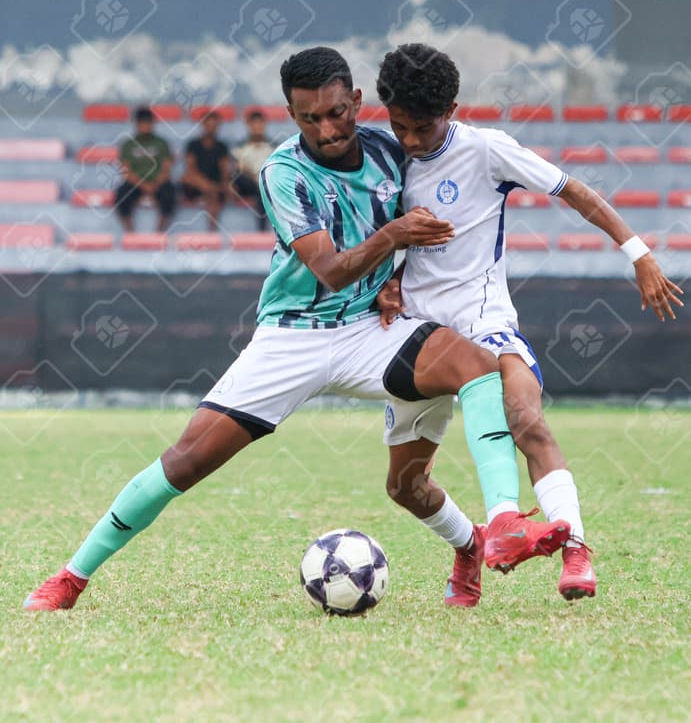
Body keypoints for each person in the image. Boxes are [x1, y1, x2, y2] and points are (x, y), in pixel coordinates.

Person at [24, 47, 567, 613]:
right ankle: (72, 577)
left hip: (366, 331)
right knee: (185, 460)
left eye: (336, 113)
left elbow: (441, 195)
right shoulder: (283, 173)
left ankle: (498, 524)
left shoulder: (390, 149)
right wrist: (395, 240)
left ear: (357, 102)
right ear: (290, 113)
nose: (327, 129)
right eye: (309, 118)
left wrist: (395, 279)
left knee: (474, 370)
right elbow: (331, 271)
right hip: (293, 337)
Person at [374, 43, 684, 600]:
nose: (412, 141)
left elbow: (575, 192)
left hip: (482, 320)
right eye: (401, 127)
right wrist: (390, 281)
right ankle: (471, 543)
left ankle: (575, 550)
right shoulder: (386, 157)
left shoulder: (486, 150)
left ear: (452, 108)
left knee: (527, 419)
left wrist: (638, 253)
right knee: (403, 486)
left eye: (423, 128)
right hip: (420, 337)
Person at [180, 110, 263, 231]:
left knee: (218, 193)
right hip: (197, 185)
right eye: (208, 125)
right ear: (203, 125)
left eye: (214, 125)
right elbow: (190, 170)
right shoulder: (193, 144)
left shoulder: (221, 146)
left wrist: (226, 184)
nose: (211, 128)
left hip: (215, 187)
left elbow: (224, 171)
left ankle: (212, 234)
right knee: (187, 178)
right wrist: (207, 186)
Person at [115, 106, 175, 232]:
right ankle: (130, 232)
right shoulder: (128, 144)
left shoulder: (161, 143)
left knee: (170, 194)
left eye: (148, 122)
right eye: (142, 122)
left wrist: (155, 184)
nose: (145, 126)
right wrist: (144, 185)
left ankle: (159, 232)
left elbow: (166, 169)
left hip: (158, 182)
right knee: (121, 195)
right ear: (136, 124)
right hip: (136, 183)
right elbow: (126, 172)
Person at [233, 108, 275, 231]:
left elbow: (275, 167)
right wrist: (254, 176)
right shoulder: (240, 146)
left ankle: (262, 231)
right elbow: (239, 168)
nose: (257, 127)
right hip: (247, 182)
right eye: (254, 123)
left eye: (260, 123)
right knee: (238, 177)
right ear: (249, 125)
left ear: (264, 124)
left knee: (263, 188)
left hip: (265, 182)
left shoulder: (273, 146)